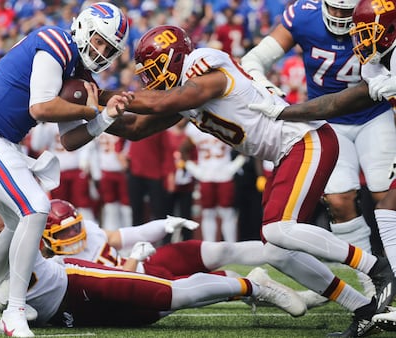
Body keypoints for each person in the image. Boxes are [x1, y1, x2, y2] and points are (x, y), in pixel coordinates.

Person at [82, 25, 392, 337]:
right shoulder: (185, 94)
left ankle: (377, 268)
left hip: (306, 139)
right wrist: (90, 113)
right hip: (285, 153)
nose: (150, 80)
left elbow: (160, 103)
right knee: (276, 251)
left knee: (278, 229)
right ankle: (363, 309)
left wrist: (101, 94)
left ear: (176, 59)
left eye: (154, 70)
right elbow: (135, 127)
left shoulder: (205, 70)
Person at [0, 3, 133, 336]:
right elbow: (41, 106)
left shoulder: (79, 73)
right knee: (36, 207)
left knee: (15, 220)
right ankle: (14, 312)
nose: (102, 51)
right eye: (100, 40)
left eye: (110, 48)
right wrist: (93, 111)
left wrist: (104, 118)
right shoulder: (56, 41)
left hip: (0, 139)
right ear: (83, 28)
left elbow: (71, 139)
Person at [0, 182, 308, 329]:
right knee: (149, 315)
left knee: (164, 293)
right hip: (64, 317)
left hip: (70, 277)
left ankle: (250, 286)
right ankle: (239, 284)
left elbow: (17, 218)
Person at [248, 0, 396, 330]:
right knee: (341, 202)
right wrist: (273, 94)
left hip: (375, 113)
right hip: (328, 120)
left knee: (386, 194)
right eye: (337, 10)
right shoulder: (303, 15)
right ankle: (373, 288)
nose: (342, 19)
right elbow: (254, 60)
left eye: (349, 12)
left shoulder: (374, 13)